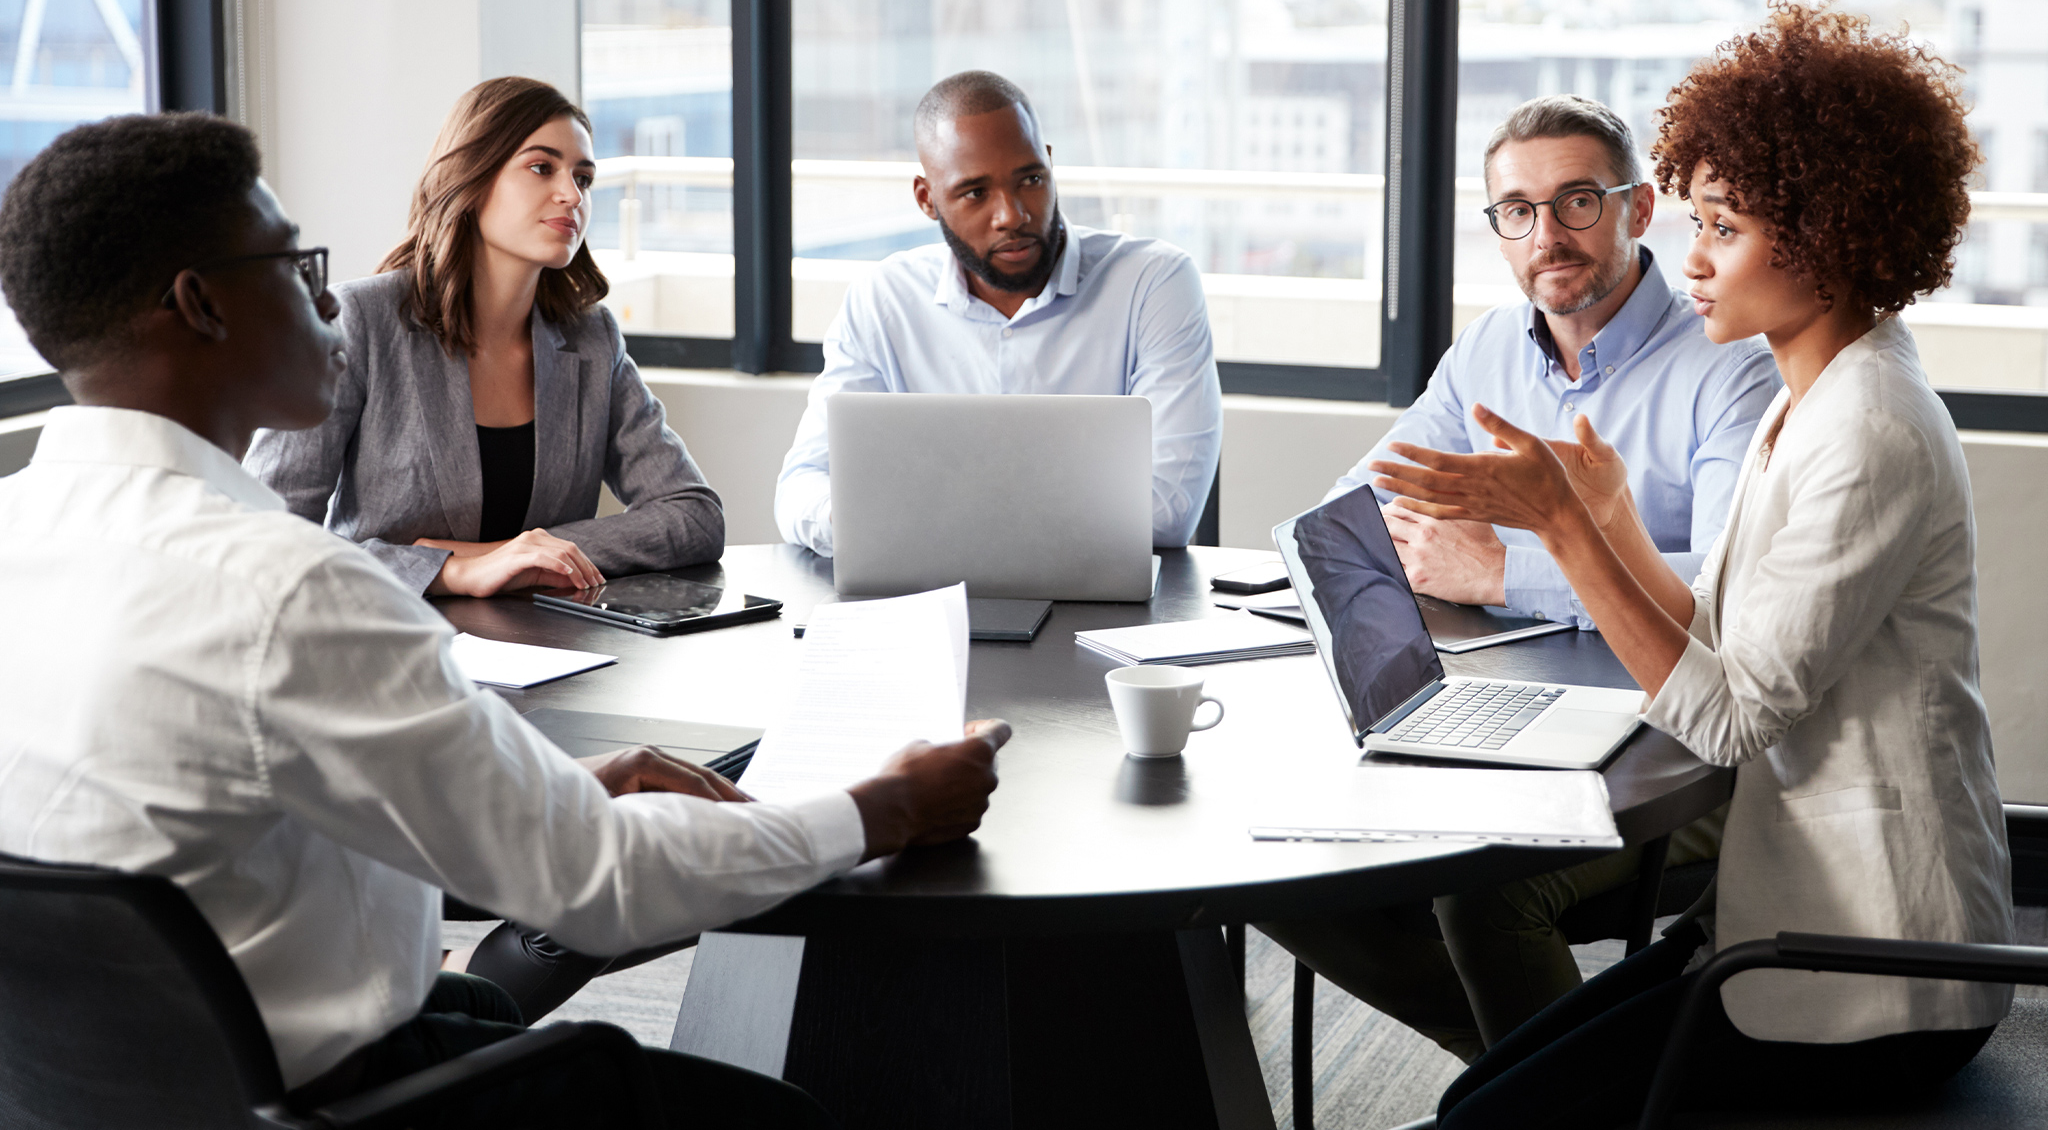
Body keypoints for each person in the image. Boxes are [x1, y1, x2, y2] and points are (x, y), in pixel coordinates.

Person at [0, 112, 1012, 1126]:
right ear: (201, 305)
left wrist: (542, 789)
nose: (322, 293)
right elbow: (599, 883)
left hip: (143, 1089)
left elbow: (226, 806)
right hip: (347, 1097)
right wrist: (887, 808)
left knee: (487, 997)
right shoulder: (292, 587)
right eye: (292, 261)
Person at [1372, 3, 2012, 1127]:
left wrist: (1565, 529)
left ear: (1826, 233)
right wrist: (1610, 519)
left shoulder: (1868, 429)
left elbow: (1727, 720)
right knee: (1484, 1091)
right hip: (1785, 920)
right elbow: (1724, 623)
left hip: (1873, 974)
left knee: (1482, 1120)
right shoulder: (1820, 389)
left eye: (1723, 226)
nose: (1695, 258)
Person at [1260, 95, 1780, 1060]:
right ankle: (1539, 1082)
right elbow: (1362, 505)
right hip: (1516, 712)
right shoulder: (1491, 348)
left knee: (1487, 885)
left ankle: (1547, 1088)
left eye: (1579, 201)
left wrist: (1506, 570)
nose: (1549, 234)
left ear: (1639, 206)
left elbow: (1721, 588)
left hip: (1691, 754)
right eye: (1517, 210)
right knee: (1278, 858)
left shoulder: (1731, 366)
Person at [247, 76, 723, 601]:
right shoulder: (361, 320)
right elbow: (266, 538)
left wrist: (509, 553)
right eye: (542, 168)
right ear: (471, 177)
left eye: (583, 178)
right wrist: (450, 571)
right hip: (389, 645)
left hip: (552, 654)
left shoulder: (592, 338)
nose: (572, 195)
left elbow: (694, 516)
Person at [774, 70, 1222, 554]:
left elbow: (1168, 510)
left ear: (1049, 165)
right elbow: (802, 487)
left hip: (1103, 615)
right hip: (928, 602)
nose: (1012, 215)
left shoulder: (1153, 282)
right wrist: (851, 518)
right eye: (975, 193)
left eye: (1030, 179)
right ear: (927, 199)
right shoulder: (883, 299)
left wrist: (907, 520)